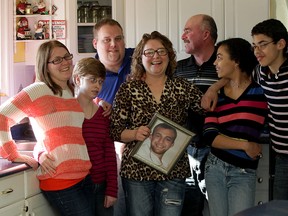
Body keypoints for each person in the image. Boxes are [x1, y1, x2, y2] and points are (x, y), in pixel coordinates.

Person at [110, 31, 204, 216]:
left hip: (173, 170)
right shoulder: (128, 89)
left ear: (169, 55)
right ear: (140, 58)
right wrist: (134, 133)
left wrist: (216, 88)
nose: (156, 57)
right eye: (149, 52)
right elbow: (114, 130)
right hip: (137, 171)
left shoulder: (182, 87)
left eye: (161, 51)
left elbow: (206, 108)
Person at [0, 40, 94, 216]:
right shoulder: (38, 90)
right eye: (57, 60)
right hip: (60, 180)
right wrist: (12, 154)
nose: (65, 62)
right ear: (45, 65)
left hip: (83, 175)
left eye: (67, 57)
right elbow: (2, 117)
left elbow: (65, 134)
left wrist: (39, 151)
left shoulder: (70, 92)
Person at [201, 19, 288, 201]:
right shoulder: (260, 72)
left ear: (281, 44)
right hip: (281, 157)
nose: (257, 51)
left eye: (262, 45)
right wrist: (213, 88)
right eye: (254, 46)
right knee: (281, 207)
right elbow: (236, 75)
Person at [202, 37, 268, 216]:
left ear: (236, 61)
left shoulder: (260, 93)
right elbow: (210, 136)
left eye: (220, 57)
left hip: (243, 171)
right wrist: (245, 145)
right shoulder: (216, 96)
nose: (215, 62)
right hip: (214, 167)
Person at [175, 14, 219, 216]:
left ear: (206, 34)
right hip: (187, 151)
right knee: (189, 209)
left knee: (219, 209)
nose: (183, 36)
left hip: (218, 151)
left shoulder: (225, 64)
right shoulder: (178, 69)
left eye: (187, 30)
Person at [92, 18, 134, 216]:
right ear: (95, 43)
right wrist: (96, 101)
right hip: (111, 156)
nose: (113, 44)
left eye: (118, 38)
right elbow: (77, 105)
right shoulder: (89, 75)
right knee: (119, 208)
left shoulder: (140, 59)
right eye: (106, 39)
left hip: (147, 147)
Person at [73, 57, 118, 216]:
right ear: (78, 79)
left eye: (100, 82)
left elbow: (109, 153)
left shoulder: (103, 114)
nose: (97, 86)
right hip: (76, 186)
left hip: (102, 185)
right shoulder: (68, 112)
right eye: (92, 80)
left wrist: (112, 189)